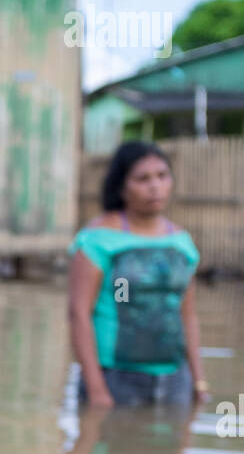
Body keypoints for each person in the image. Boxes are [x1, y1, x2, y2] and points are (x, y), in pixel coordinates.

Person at [68, 141, 209, 408]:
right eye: (142, 179)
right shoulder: (99, 240)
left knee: (167, 447)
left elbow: (187, 315)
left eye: (162, 176)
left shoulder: (181, 243)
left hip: (175, 380)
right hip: (115, 378)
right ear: (122, 186)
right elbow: (78, 314)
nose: (155, 186)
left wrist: (198, 382)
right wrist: (97, 390)